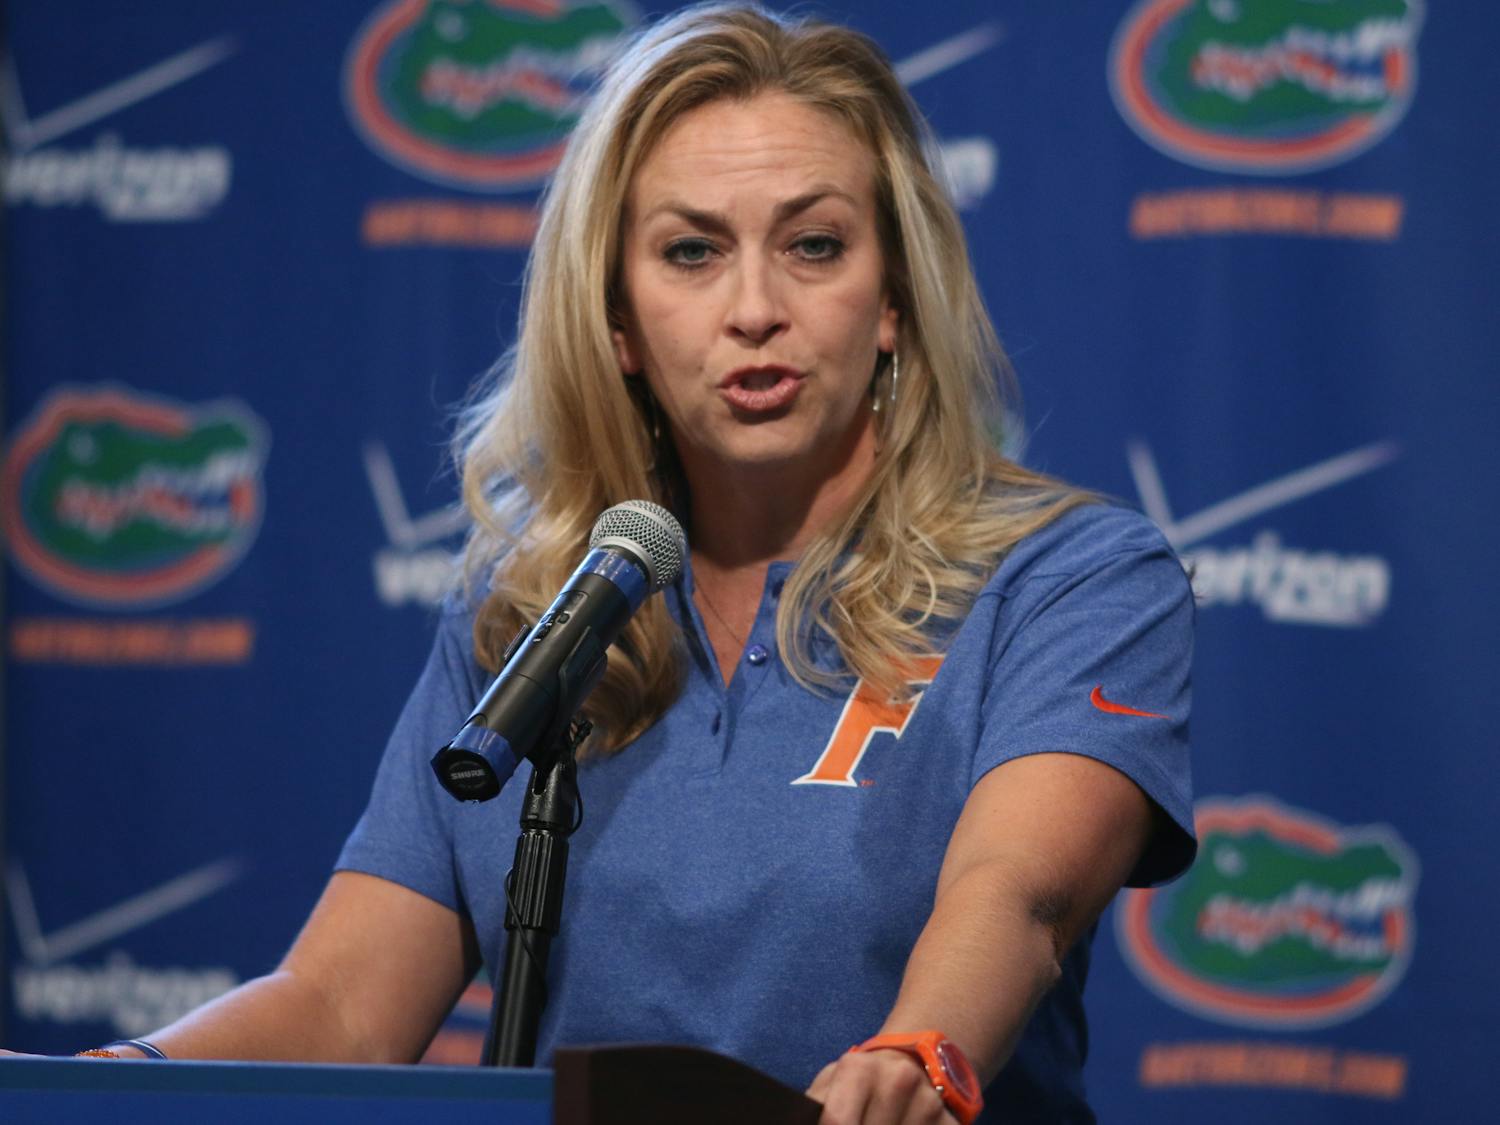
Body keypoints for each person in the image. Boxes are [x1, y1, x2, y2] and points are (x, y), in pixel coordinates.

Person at [7, 5, 1194, 1122]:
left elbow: (1020, 897)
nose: (754, 308)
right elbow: (342, 1004)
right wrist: (113, 1087)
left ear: (890, 298)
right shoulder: (537, 610)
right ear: (618, 320)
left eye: (815, 245)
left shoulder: (1075, 576)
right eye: (691, 253)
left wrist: (919, 1051)